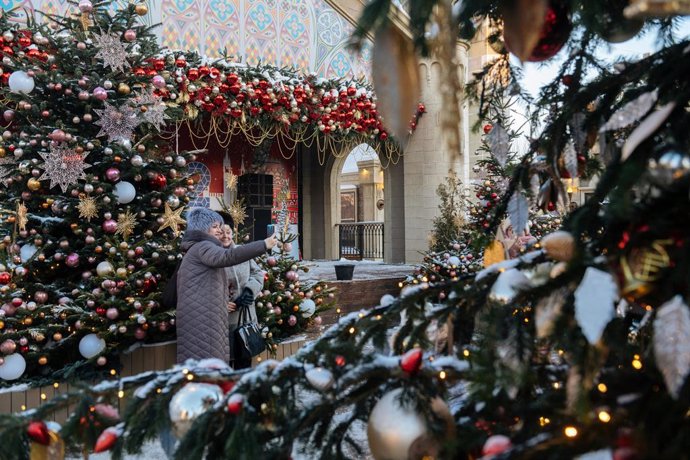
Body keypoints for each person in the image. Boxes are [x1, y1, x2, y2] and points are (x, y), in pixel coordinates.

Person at [175, 207, 278, 364]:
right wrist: (264, 244)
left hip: (235, 318)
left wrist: (249, 291)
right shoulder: (207, 248)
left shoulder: (202, 248)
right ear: (203, 228)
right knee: (216, 368)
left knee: (235, 364)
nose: (221, 233)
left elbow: (257, 274)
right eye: (216, 228)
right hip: (214, 320)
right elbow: (227, 258)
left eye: (225, 230)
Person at [220, 224, 265, 369]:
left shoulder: (242, 252)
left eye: (229, 232)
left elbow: (257, 274)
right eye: (222, 233)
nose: (226, 236)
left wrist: (249, 291)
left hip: (245, 319)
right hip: (223, 322)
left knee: (244, 363)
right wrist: (220, 303)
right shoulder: (212, 256)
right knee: (223, 367)